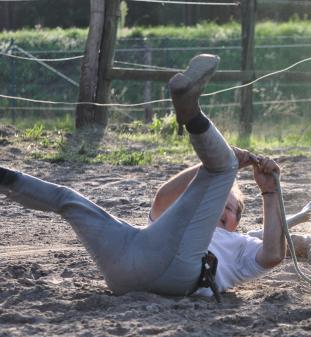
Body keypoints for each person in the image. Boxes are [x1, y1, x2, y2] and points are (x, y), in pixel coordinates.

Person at [0, 54, 292, 299]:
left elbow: (272, 254)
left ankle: (190, 111)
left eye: (227, 208)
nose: (217, 209)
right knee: (67, 199)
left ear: (237, 223)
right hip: (127, 263)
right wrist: (205, 164)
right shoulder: (170, 218)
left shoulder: (240, 246)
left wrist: (270, 193)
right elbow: (164, 198)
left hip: (183, 274)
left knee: (224, 167)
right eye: (218, 202)